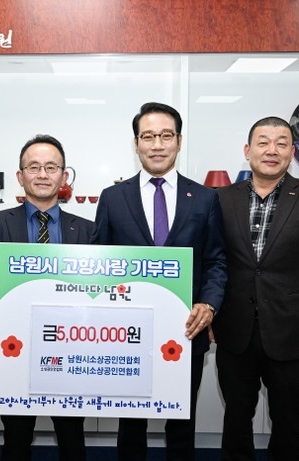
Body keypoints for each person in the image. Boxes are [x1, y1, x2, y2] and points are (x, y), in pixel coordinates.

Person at [92, 102, 227, 461]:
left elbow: (216, 260)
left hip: (185, 329)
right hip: (127, 332)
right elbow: (98, 263)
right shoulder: (113, 198)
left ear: (179, 141)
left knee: (181, 422)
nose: (156, 145)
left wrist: (209, 304)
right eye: (148, 136)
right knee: (130, 424)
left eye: (166, 136)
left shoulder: (205, 198)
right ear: (136, 143)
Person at [212, 116, 299, 461]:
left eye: (281, 143)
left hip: (293, 332)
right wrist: (208, 310)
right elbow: (212, 262)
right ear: (248, 150)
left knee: (288, 421)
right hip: (234, 330)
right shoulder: (221, 199)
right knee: (236, 417)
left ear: (292, 152)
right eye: (263, 142)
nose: (272, 150)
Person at [0, 134, 91, 461]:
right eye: (34, 167)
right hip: (13, 349)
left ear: (64, 176)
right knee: (16, 439)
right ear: (20, 175)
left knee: (72, 437)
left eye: (51, 167)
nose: (42, 174)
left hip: (70, 349)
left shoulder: (86, 229)